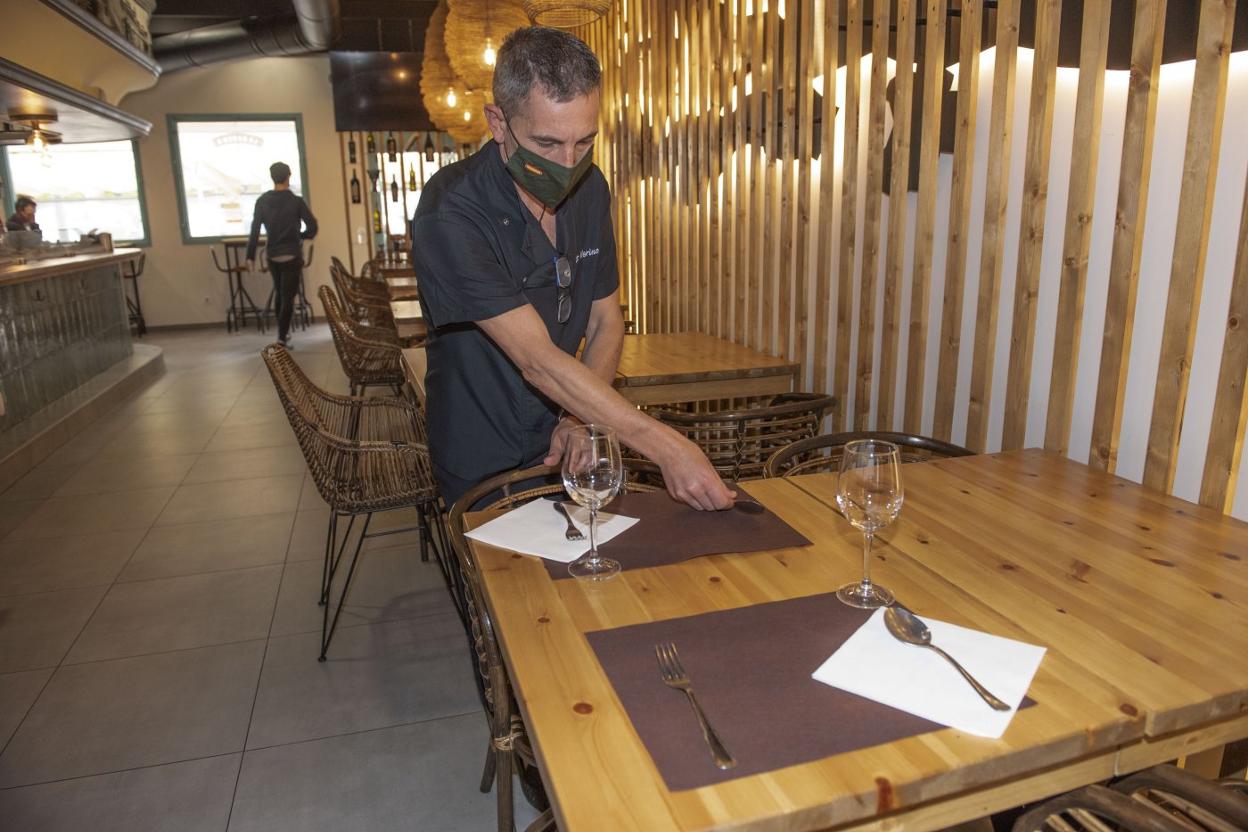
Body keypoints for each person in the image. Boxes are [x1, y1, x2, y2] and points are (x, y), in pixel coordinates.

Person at [412, 26, 733, 511]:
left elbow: (605, 319)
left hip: (573, 440)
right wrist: (665, 445)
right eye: (547, 144)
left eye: (584, 142)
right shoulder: (452, 210)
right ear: (498, 123)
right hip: (484, 454)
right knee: (509, 585)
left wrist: (580, 418)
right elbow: (536, 360)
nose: (567, 163)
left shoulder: (590, 188)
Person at [245, 162, 317, 347]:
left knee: (279, 293)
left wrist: (250, 256)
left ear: (272, 177)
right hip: (292, 254)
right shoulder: (296, 201)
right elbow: (313, 227)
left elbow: (254, 229)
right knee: (287, 297)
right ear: (288, 177)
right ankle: (282, 338)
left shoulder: (262, 201)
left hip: (272, 255)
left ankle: (281, 334)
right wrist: (300, 236)